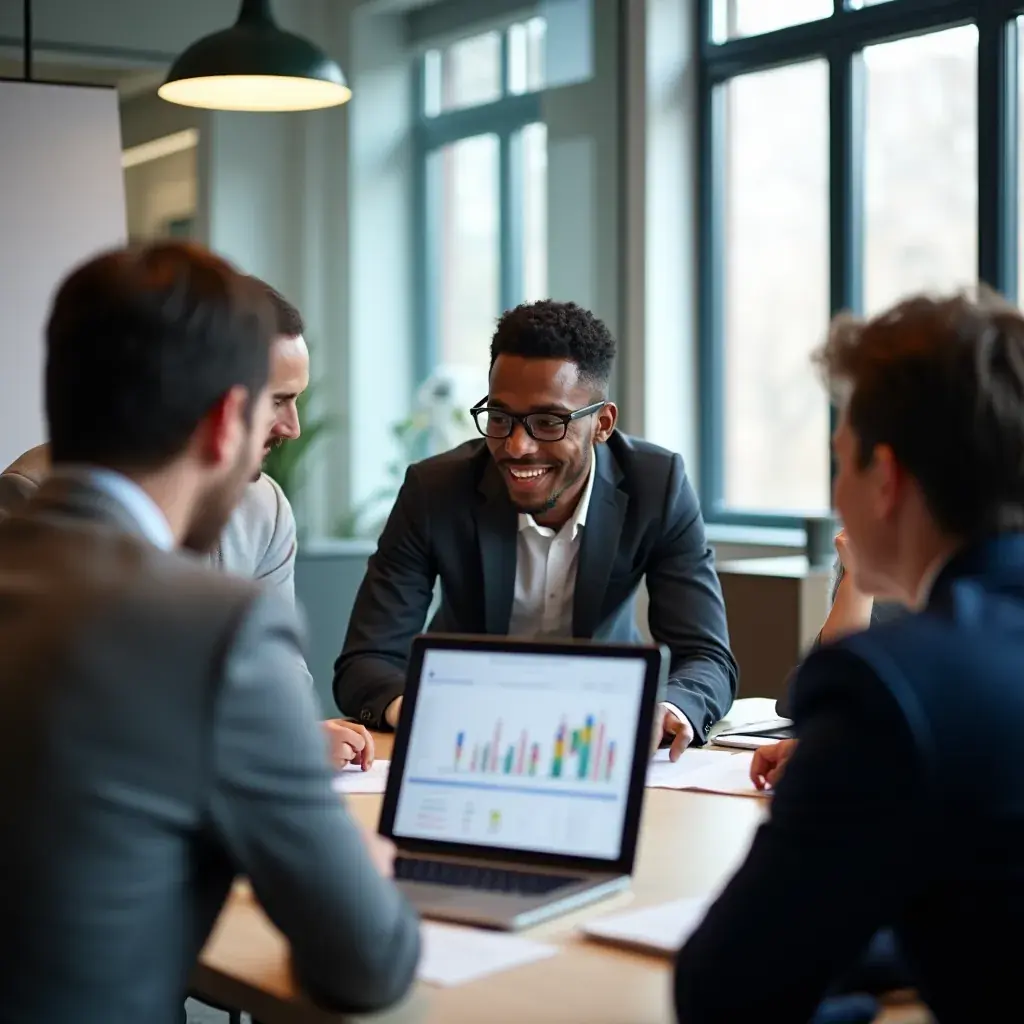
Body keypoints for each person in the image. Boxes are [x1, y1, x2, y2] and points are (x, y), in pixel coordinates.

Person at [0, 241, 420, 1021]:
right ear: (227, 420)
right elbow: (369, 964)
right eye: (272, 406)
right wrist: (362, 865)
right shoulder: (213, 630)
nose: (289, 428)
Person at [674, 289, 1024, 1022]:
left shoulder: (893, 688)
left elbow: (725, 990)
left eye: (840, 463)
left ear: (885, 479)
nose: (837, 495)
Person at [335, 300, 737, 758]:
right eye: (500, 418)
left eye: (548, 422)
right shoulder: (435, 491)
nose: (517, 446)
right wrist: (417, 708)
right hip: (469, 733)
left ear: (602, 424)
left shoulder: (656, 486)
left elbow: (707, 657)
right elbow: (366, 661)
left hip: (600, 731)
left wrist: (669, 709)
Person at [0, 280, 374, 772]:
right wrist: (271, 747)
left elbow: (279, 682)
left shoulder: (265, 506)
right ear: (215, 399)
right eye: (278, 400)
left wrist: (294, 734)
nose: (292, 427)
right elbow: (67, 715)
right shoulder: (33, 496)